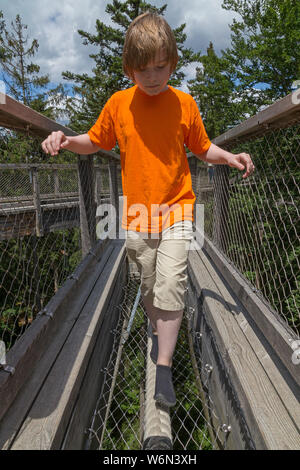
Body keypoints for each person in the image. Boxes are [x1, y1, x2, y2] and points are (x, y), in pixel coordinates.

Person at [41, 12, 255, 408]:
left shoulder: (184, 103)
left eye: (161, 66)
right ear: (129, 69)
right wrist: (66, 140)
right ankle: (160, 330)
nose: (153, 76)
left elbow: (203, 147)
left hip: (177, 210)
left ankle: (163, 366)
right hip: (137, 217)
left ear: (172, 62)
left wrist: (230, 157)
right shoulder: (119, 104)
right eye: (143, 69)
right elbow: (94, 140)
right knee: (149, 284)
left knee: (171, 283)